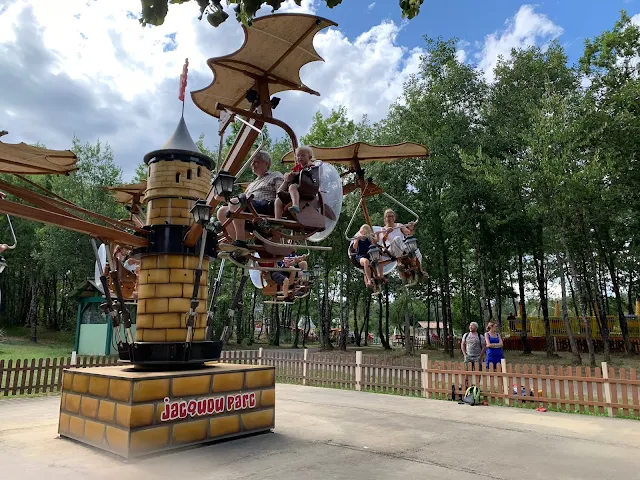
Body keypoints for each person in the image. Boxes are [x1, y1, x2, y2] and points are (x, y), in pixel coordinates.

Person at [216, 150, 283, 250]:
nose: (252, 165)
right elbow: (237, 204)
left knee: (236, 200)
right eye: (252, 162)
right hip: (249, 206)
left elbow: (281, 194)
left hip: (265, 205)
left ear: (266, 163)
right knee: (221, 211)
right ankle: (238, 244)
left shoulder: (275, 175)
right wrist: (226, 199)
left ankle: (240, 241)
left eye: (256, 162)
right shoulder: (252, 184)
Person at [380, 208, 425, 276]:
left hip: (403, 246)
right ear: (385, 218)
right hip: (392, 249)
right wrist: (387, 233)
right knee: (397, 239)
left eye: (391, 216)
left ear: (394, 217)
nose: (390, 218)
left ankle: (419, 269)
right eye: (388, 216)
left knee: (416, 250)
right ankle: (399, 262)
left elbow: (409, 234)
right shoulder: (383, 229)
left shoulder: (399, 225)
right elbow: (383, 241)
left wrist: (411, 228)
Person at [274, 146, 315, 219]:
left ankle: (296, 205)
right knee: (278, 201)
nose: (300, 157)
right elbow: (292, 173)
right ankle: (277, 220)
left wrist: (296, 174)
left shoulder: (311, 167)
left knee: (292, 186)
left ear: (309, 157)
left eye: (303, 155)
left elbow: (307, 174)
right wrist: (288, 175)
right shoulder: (297, 167)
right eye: (298, 156)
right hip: (296, 190)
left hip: (306, 188)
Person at [351, 224, 384, 288]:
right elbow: (354, 247)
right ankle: (369, 280)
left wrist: (377, 234)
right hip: (360, 256)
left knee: (379, 258)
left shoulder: (369, 238)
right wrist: (357, 239)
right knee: (366, 261)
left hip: (369, 254)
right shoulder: (357, 237)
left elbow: (376, 241)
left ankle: (381, 275)